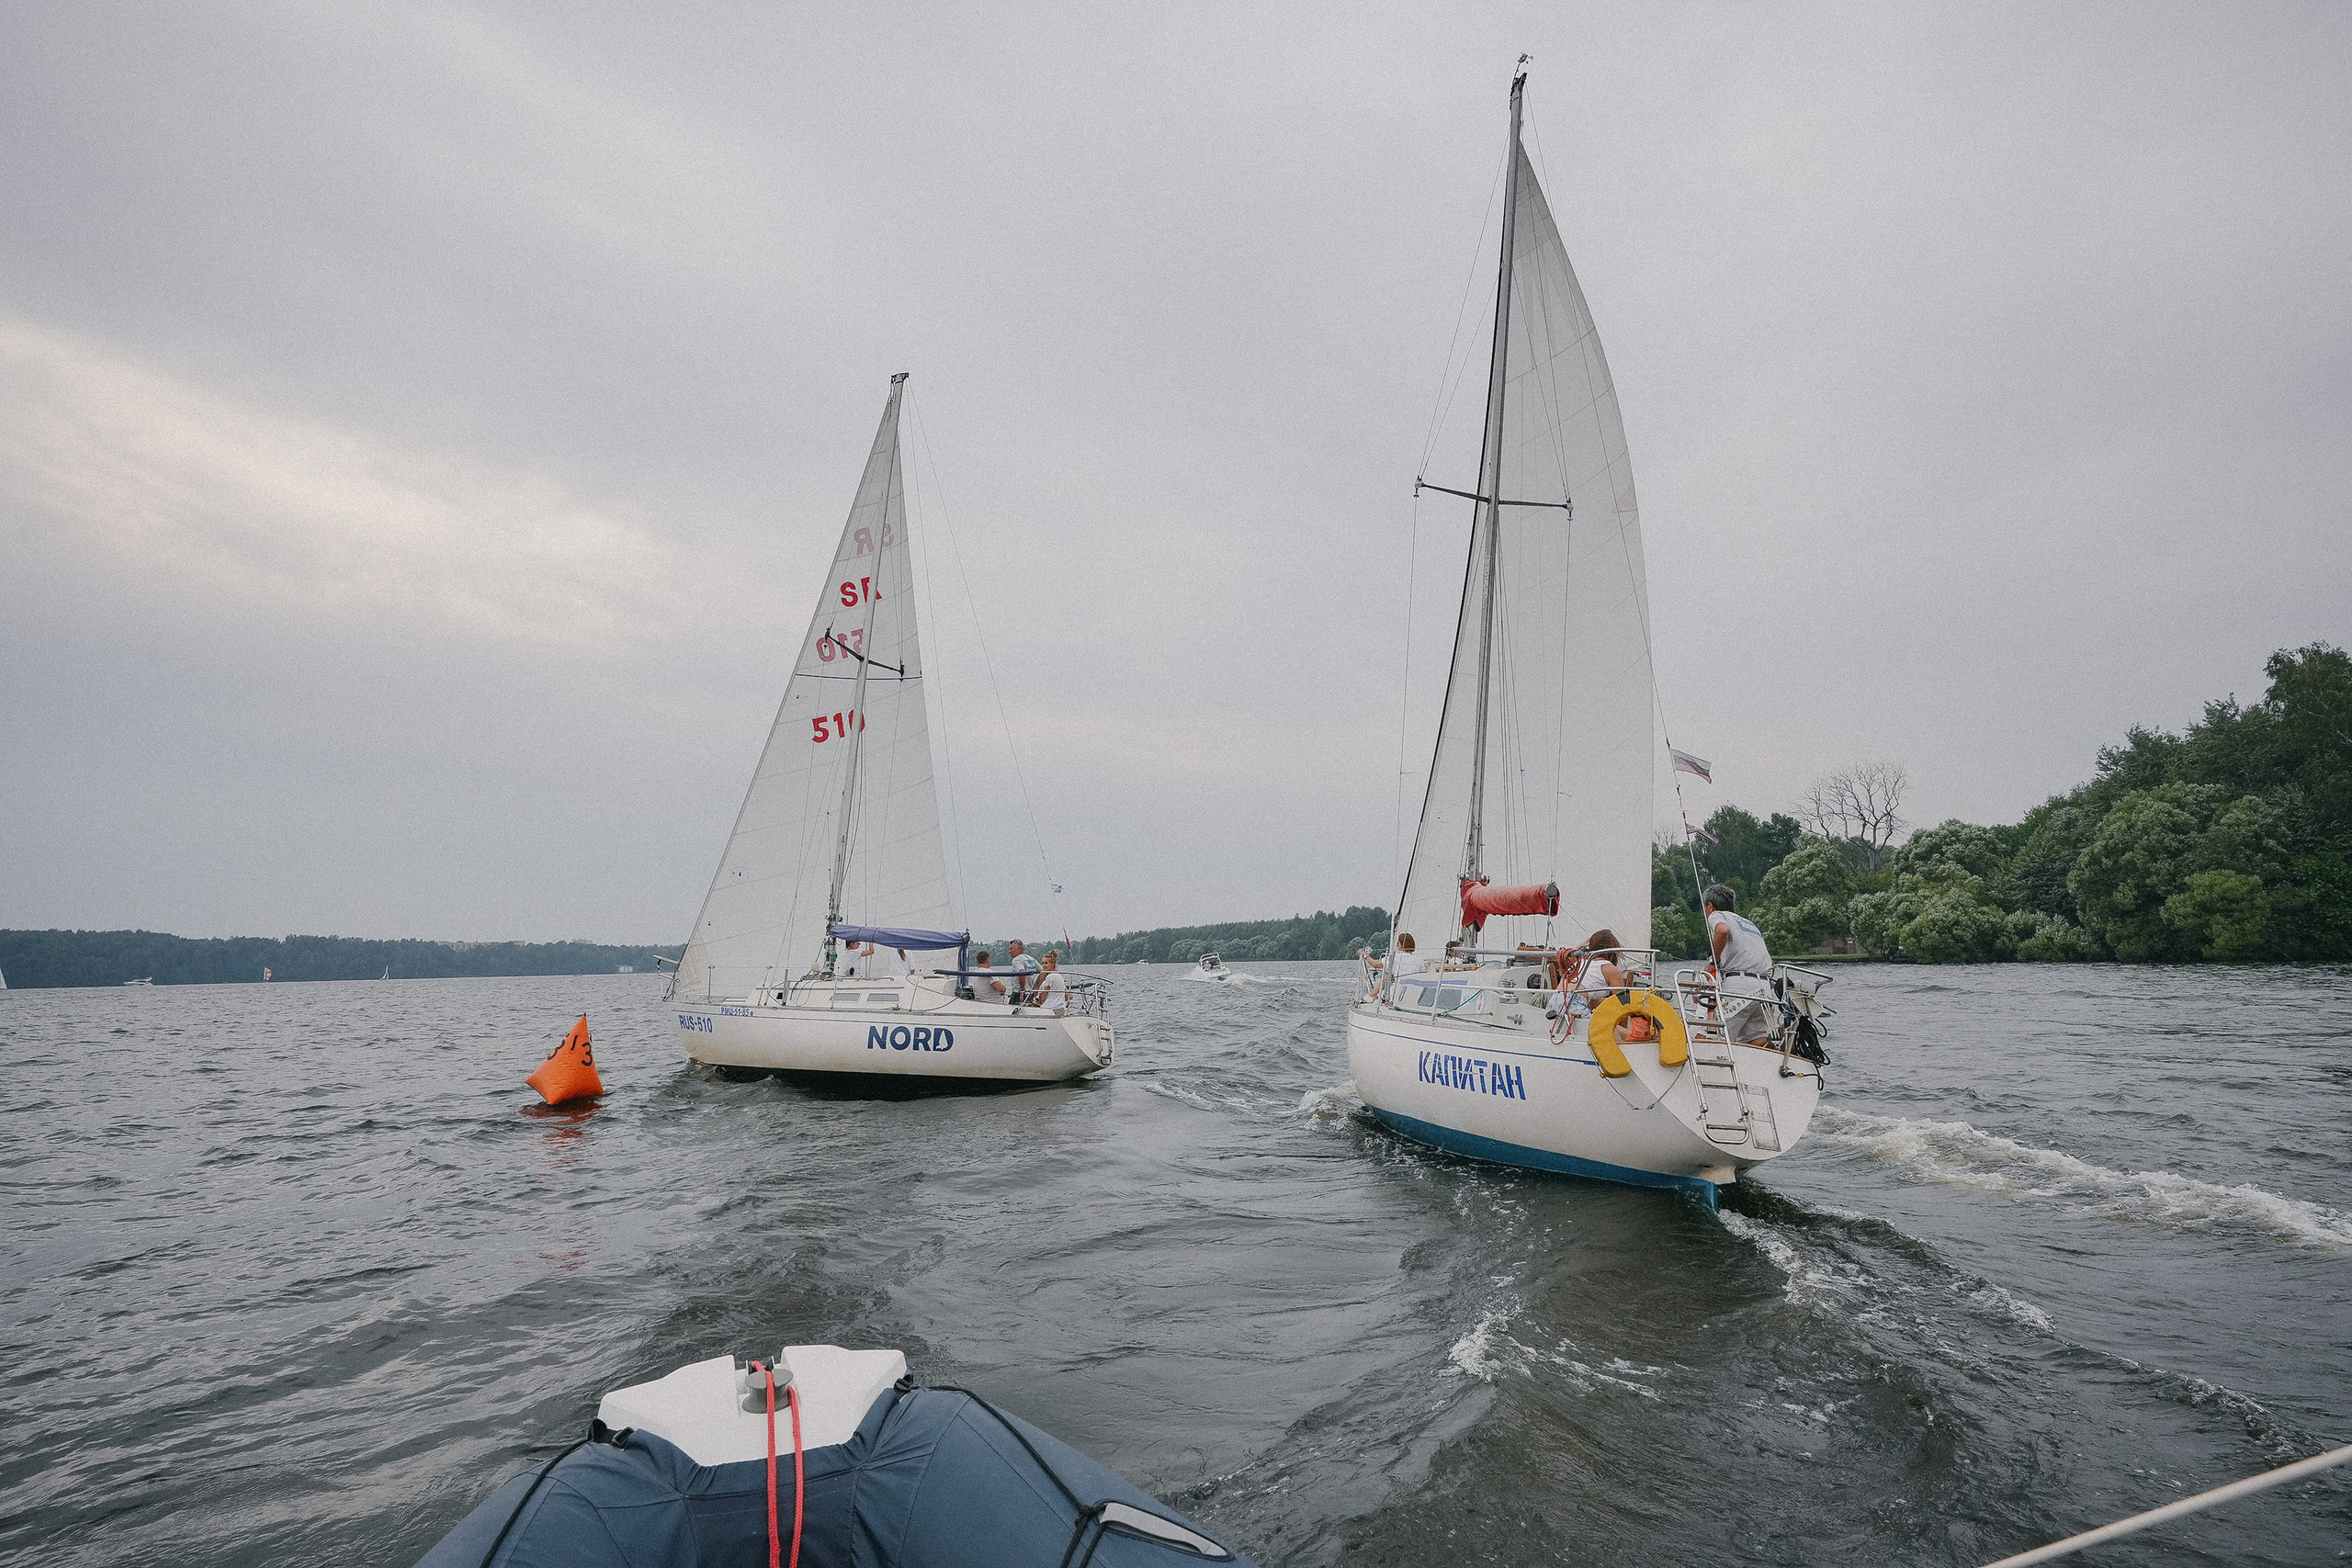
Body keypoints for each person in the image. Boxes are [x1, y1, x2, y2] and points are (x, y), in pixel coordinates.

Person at [1703, 885, 1777, 1043]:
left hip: (1739, 987)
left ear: (1710, 906)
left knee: (1713, 1037)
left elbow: (1722, 931)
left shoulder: (1717, 915)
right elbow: (1771, 963)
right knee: (1757, 1039)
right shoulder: (1749, 924)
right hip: (1764, 989)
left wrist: (1713, 962)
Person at [1545, 931, 1625, 1033]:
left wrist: (1581, 945)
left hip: (1554, 1002)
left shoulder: (1581, 963)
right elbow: (1622, 1002)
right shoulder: (1609, 968)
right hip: (1574, 1004)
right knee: (1617, 1034)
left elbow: (1593, 1002)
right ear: (1614, 949)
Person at [1359, 932, 1427, 1002]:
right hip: (1414, 993)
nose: (1397, 945)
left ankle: (1370, 996)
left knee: (1387, 977)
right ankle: (1371, 995)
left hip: (1398, 993)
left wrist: (1365, 955)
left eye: (1398, 942)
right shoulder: (1419, 960)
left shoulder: (1396, 957)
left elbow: (1376, 965)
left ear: (1402, 944)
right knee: (1388, 976)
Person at [1004, 940, 1042, 1005]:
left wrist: (1022, 989)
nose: (1009, 951)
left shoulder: (1017, 960)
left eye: (1011, 949)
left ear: (1019, 949)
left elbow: (1022, 972)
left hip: (1019, 994)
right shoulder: (1030, 958)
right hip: (1030, 993)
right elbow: (1042, 972)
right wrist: (1036, 987)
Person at [1033, 950, 1070, 1016]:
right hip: (1060, 1008)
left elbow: (1044, 994)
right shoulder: (1059, 976)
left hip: (1049, 1008)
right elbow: (1069, 995)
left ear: (1052, 964)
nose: (1044, 965)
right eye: (1043, 963)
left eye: (1046, 963)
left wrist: (1042, 1002)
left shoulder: (1050, 977)